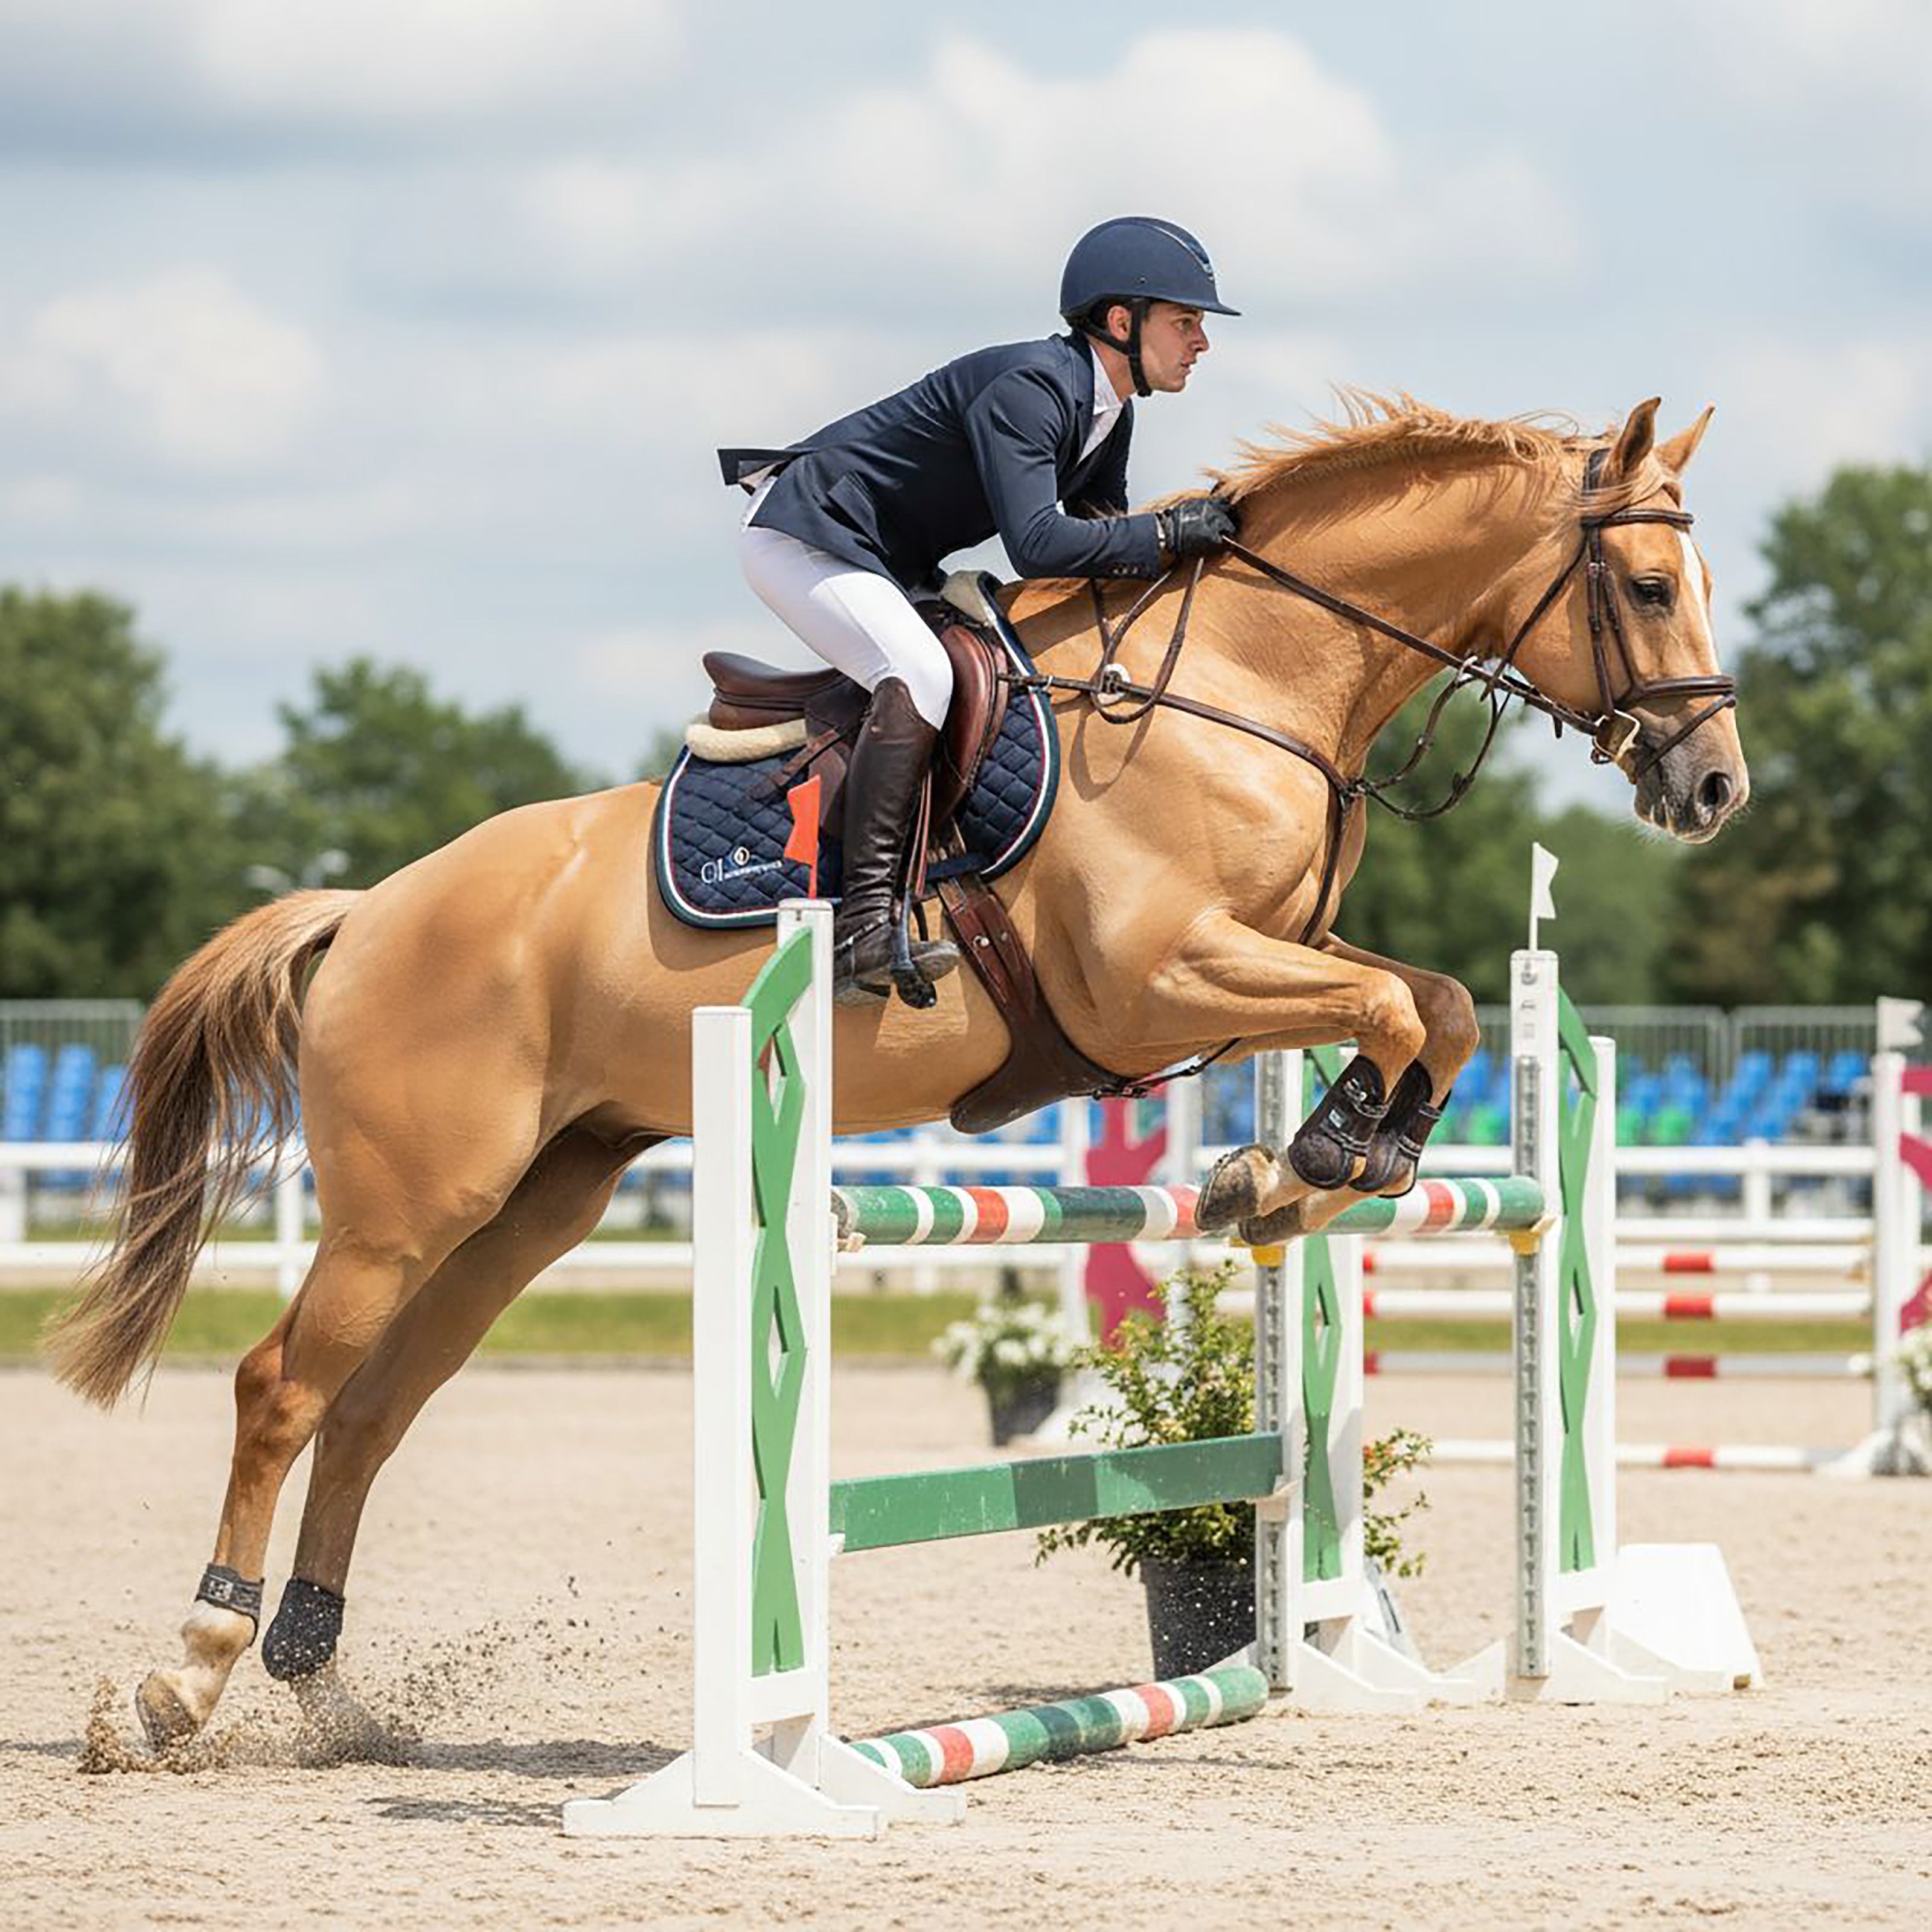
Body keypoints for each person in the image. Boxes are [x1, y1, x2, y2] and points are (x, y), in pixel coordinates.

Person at [719, 216, 1241, 1006]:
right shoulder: (1033, 387)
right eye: (1186, 321)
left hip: (885, 558)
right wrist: (1166, 533)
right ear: (1122, 321)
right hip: (806, 533)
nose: (1201, 342)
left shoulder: (1109, 413)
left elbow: (1102, 542)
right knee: (921, 672)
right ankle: (862, 924)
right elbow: (1038, 544)